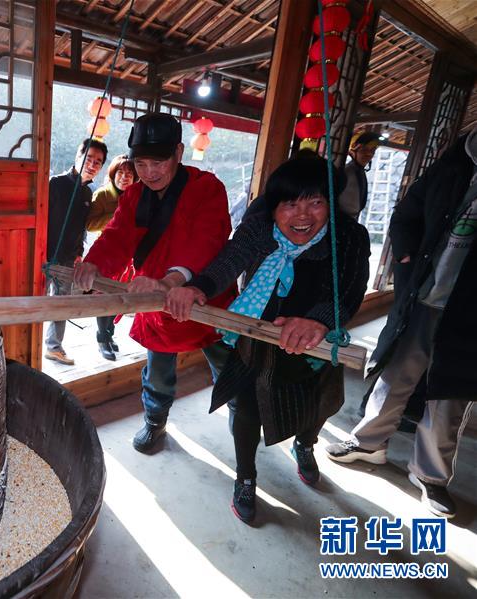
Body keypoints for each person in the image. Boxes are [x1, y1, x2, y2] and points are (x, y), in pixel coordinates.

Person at [167, 154, 370, 524]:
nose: (302, 216)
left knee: (319, 404)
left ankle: (305, 444)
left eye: (315, 202)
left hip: (313, 340)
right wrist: (199, 287)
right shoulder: (259, 226)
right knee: (247, 408)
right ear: (274, 207)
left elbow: (350, 289)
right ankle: (245, 477)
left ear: (329, 204)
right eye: (290, 204)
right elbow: (230, 260)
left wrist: (319, 321)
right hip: (257, 330)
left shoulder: (349, 237)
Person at [325, 129, 477, 518]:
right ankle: (369, 443)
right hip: (423, 292)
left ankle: (431, 475)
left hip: (470, 311)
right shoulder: (454, 163)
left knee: (451, 393)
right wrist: (405, 255)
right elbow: (408, 212)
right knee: (395, 371)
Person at [73, 112, 236, 453]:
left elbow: (208, 240)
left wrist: (172, 280)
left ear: (178, 152)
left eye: (158, 162)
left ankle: (241, 417)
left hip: (203, 299)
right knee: (158, 371)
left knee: (230, 367)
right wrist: (94, 264)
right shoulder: (134, 195)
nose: (149, 173)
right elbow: (117, 236)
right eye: (141, 164)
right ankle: (155, 422)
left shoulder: (207, 188)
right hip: (155, 302)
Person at [44, 138, 108, 365]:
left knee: (61, 303)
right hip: (44, 255)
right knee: (34, 300)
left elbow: (82, 227)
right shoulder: (56, 183)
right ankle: (25, 345)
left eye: (98, 161)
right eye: (88, 158)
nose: (92, 164)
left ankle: (53, 347)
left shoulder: (87, 193)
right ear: (78, 156)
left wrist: (80, 252)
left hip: (68, 258)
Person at [86, 155, 138, 361]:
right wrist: (117, 216)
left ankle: (110, 334)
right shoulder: (102, 195)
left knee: (119, 297)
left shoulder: (139, 197)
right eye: (120, 173)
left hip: (129, 257)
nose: (124, 177)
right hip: (106, 254)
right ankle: (102, 338)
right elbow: (90, 224)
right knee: (104, 297)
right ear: (113, 174)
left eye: (129, 174)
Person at [337, 130, 380, 219]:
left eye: (373, 150)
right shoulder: (346, 172)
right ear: (352, 150)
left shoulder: (360, 172)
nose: (369, 154)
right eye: (364, 149)